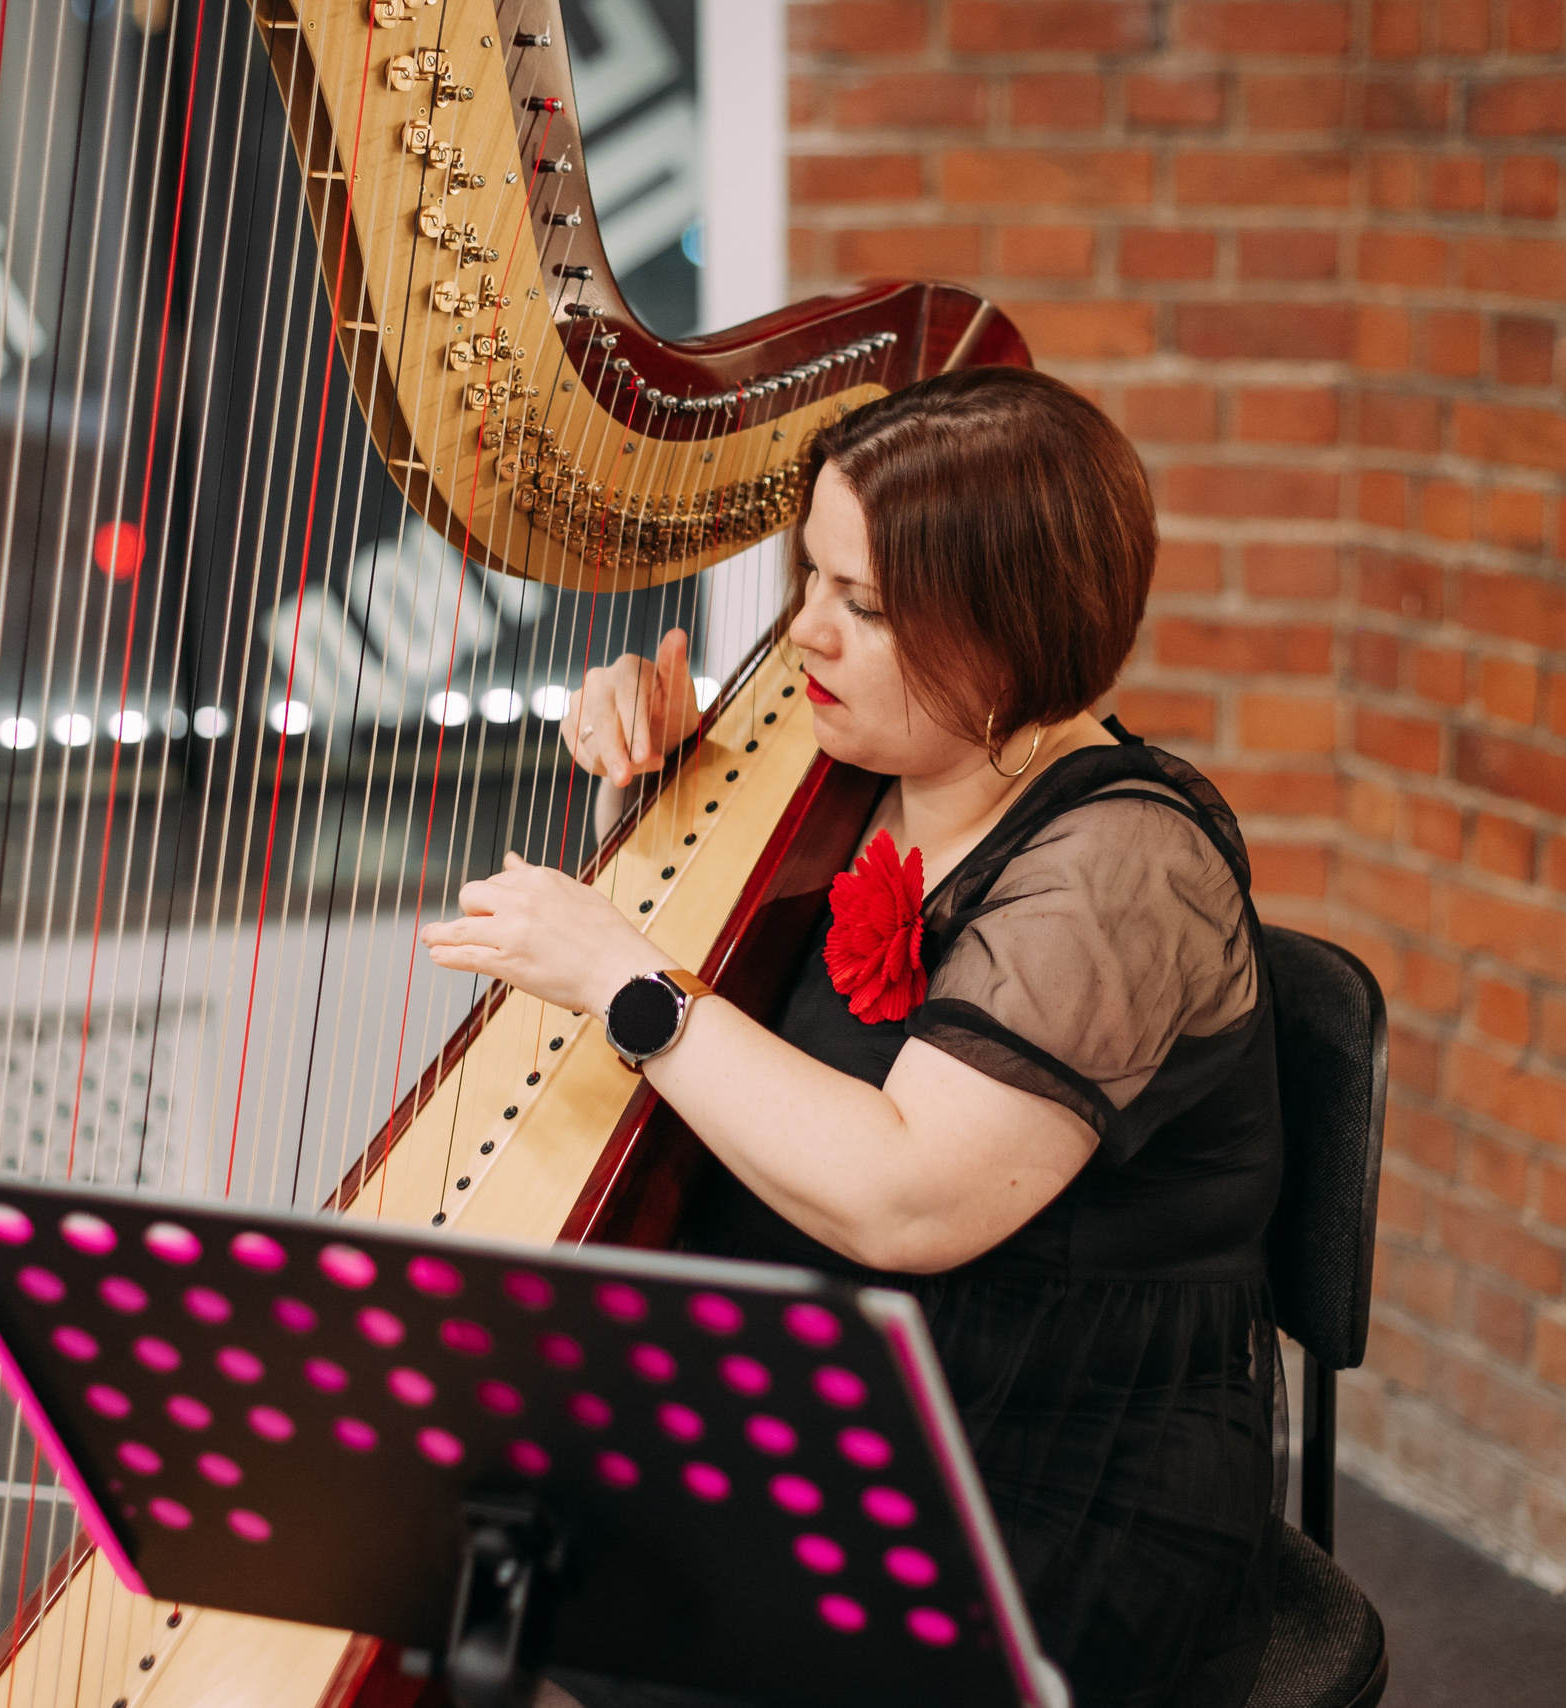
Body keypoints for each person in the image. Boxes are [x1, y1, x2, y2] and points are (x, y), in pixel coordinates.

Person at [422, 365, 1284, 1708]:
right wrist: (668, 775)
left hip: (1044, 1471)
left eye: (864, 606)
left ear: (1011, 637)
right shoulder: (872, 770)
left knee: (529, 1619)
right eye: (810, 581)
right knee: (446, 1555)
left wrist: (628, 977)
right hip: (829, 1387)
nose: (804, 637)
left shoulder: (1123, 869)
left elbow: (901, 1199)